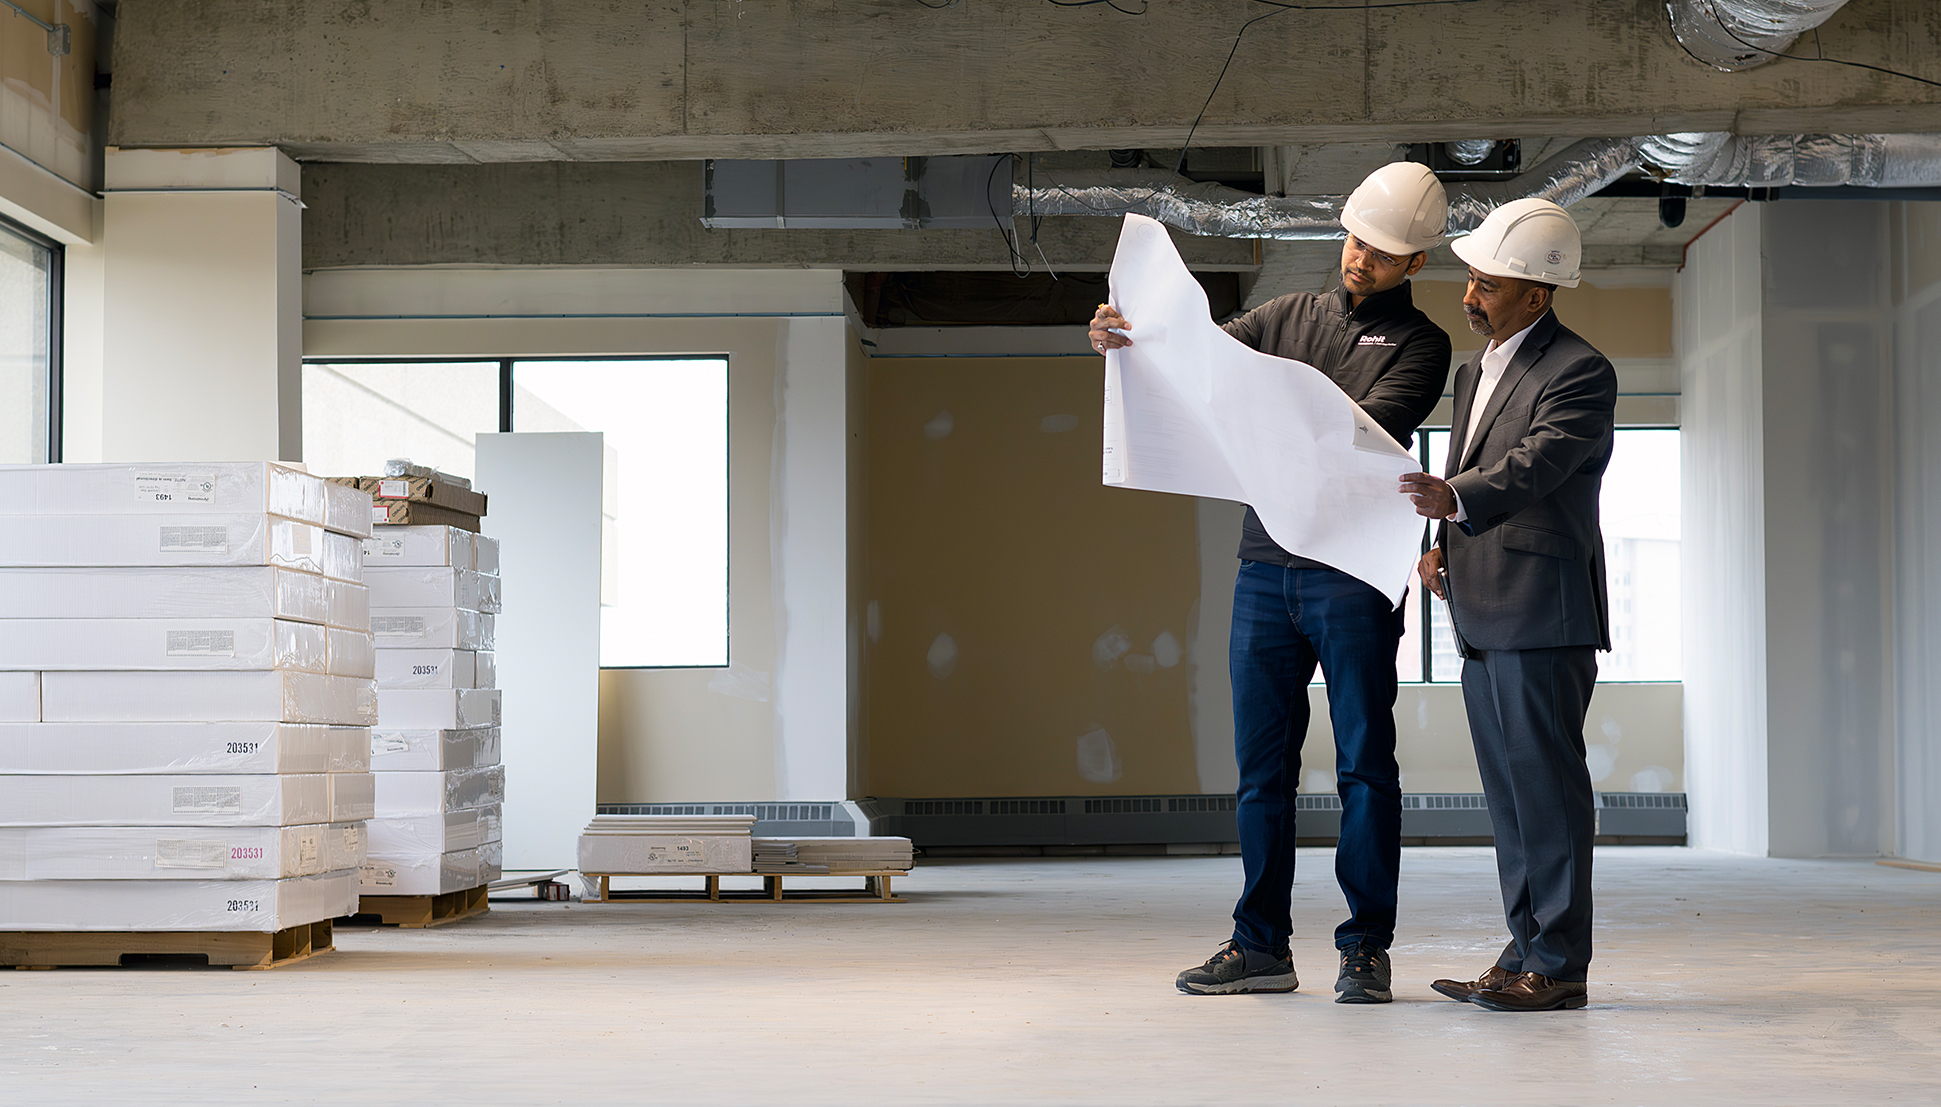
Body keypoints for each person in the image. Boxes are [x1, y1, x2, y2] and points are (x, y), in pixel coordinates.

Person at [1090, 162, 1453, 1002]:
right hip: (1264, 567)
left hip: (1351, 573)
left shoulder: (1421, 346)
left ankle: (1364, 948)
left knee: (1366, 764)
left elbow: (1357, 436)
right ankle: (1259, 945)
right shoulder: (1285, 314)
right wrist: (1123, 333)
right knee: (1261, 771)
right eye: (1358, 240)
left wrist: (1260, 406)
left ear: (1414, 265)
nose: (1362, 258)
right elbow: (1198, 363)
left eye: (1384, 252)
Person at [1397, 198, 1617, 1012]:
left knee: (1548, 793)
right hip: (1479, 606)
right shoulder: (1473, 370)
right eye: (1470, 280)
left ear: (1537, 293)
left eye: (1487, 284)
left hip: (1539, 608)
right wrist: (1442, 544)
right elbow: (1474, 481)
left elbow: (1536, 463)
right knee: (1510, 796)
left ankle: (1557, 966)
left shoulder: (1579, 370)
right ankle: (1526, 946)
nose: (1468, 295)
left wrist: (1452, 497)